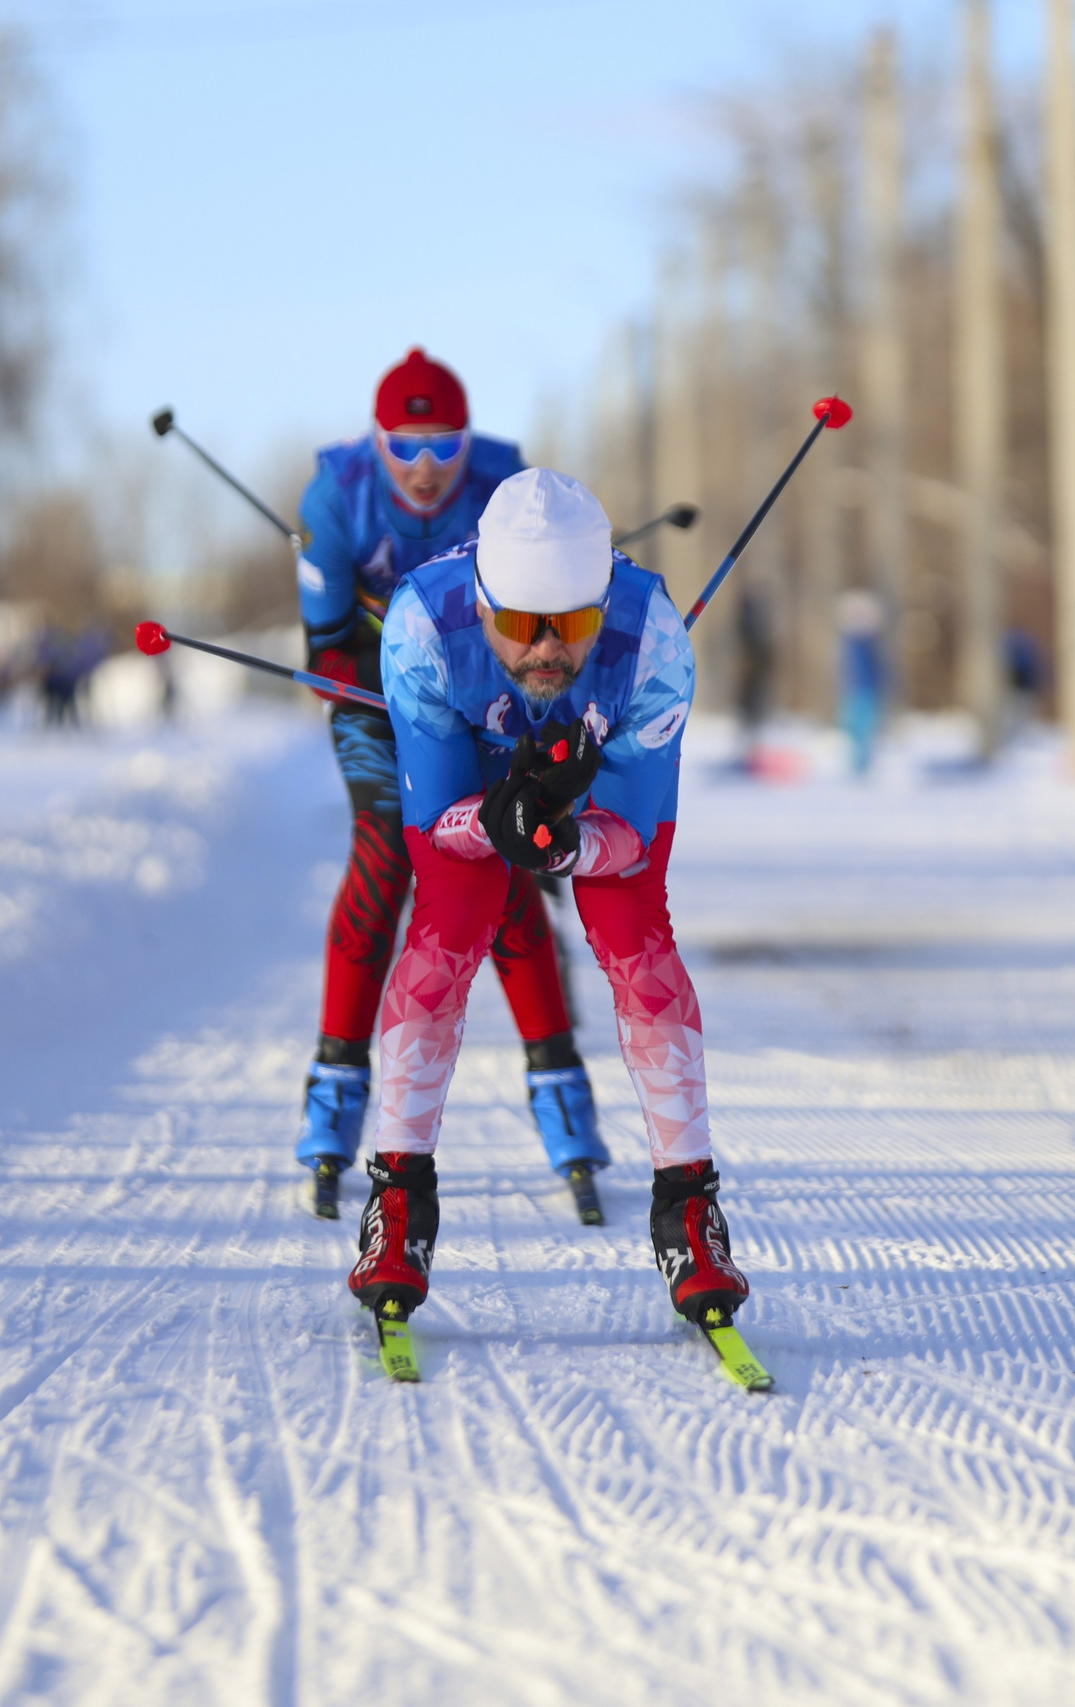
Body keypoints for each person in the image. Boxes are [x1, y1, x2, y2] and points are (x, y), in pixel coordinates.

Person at [345, 468, 752, 1332]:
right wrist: (499, 819)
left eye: (571, 625)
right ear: (483, 604)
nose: (546, 650)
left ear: (602, 603)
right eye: (523, 625)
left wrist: (564, 837)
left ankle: (689, 1204)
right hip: (470, 766)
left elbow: (632, 846)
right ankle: (399, 1198)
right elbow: (434, 831)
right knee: (447, 934)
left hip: (595, 778)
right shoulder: (421, 626)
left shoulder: (651, 642)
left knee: (637, 942)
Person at [293, 348, 603, 1220]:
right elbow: (324, 656)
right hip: (376, 699)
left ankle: (564, 1104)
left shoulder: (507, 488)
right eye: (404, 443)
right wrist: (377, 648)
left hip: (480, 696)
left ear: (471, 442)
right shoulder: (335, 498)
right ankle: (334, 1099)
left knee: (499, 863)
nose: (426, 468)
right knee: (388, 857)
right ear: (375, 440)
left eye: (444, 444)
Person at [838, 589, 885, 777]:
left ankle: (862, 766)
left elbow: (878, 668)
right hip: (854, 689)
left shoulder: (870, 641)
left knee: (864, 729)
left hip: (866, 689)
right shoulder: (851, 640)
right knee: (854, 729)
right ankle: (857, 765)